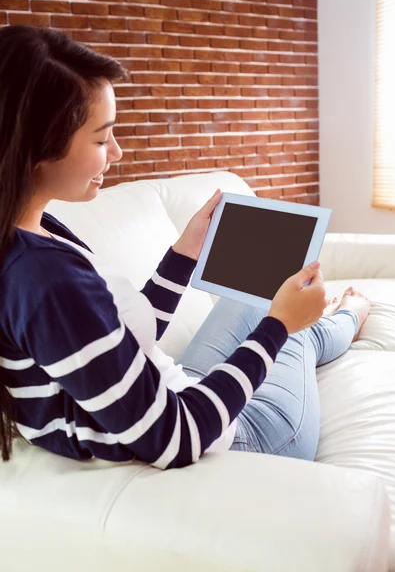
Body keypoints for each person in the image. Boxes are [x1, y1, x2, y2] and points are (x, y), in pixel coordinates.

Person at [0, 25, 371, 469]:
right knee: (288, 331)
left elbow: (118, 342)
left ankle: (319, 320)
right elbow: (176, 436)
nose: (116, 152)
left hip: (179, 389)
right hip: (243, 436)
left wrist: (183, 254)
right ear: (36, 149)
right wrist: (279, 327)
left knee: (256, 298)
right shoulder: (45, 281)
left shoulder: (32, 233)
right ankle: (346, 319)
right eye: (101, 139)